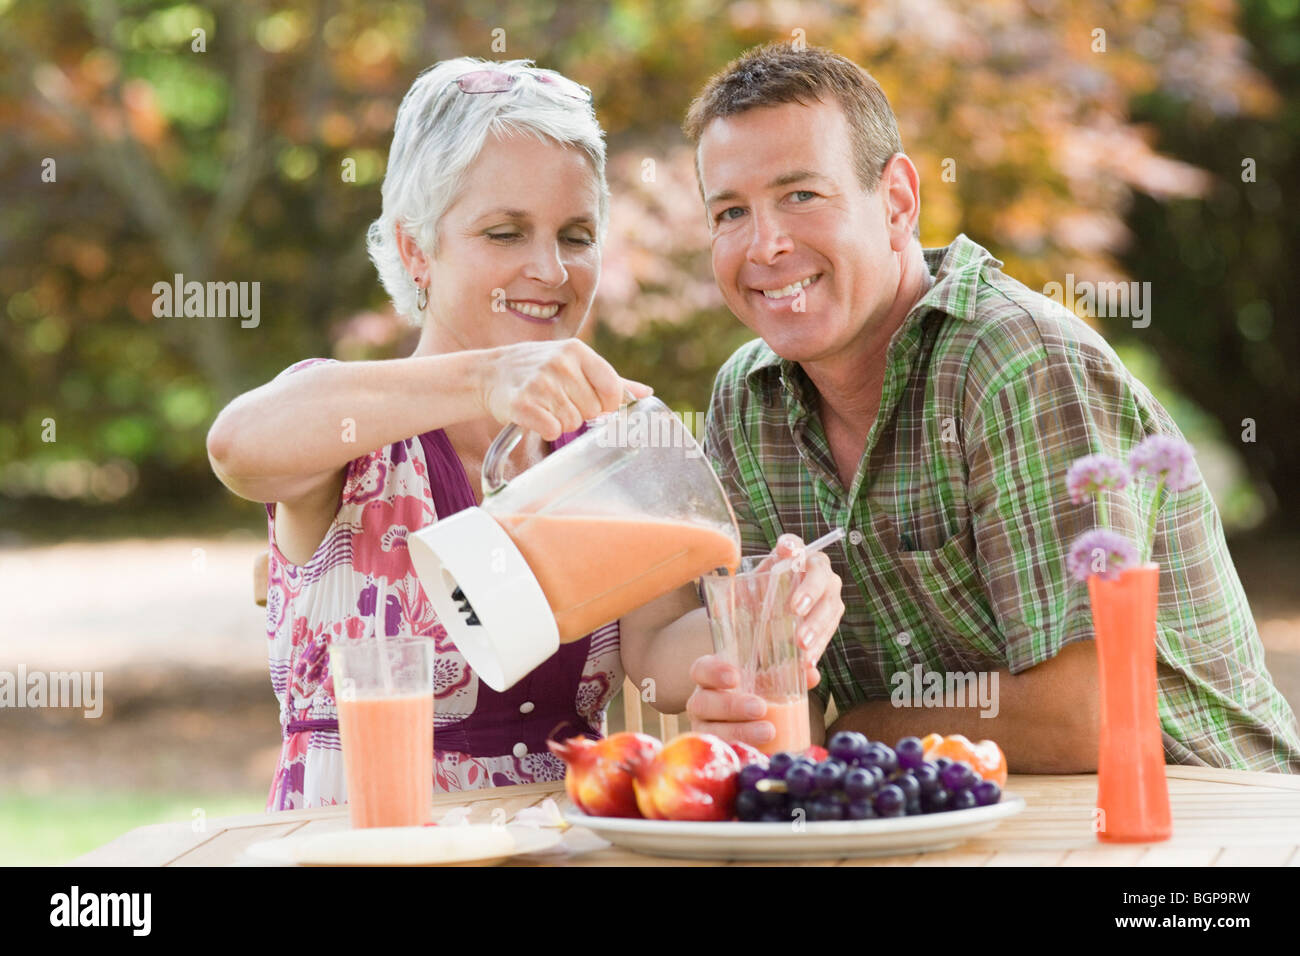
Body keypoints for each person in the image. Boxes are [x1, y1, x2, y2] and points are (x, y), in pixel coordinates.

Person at [206, 57, 844, 809]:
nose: (549, 268)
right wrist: (485, 375)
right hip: (360, 842)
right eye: (505, 233)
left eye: (576, 235)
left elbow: (659, 658)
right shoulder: (354, 429)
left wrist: (769, 611)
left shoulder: (606, 449)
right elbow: (237, 447)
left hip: (551, 841)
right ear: (417, 250)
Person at [656, 42, 1300, 773]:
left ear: (897, 202)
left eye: (801, 195)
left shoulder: (1015, 362)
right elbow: (787, 705)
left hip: (1202, 818)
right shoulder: (748, 404)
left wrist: (855, 730)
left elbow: (1088, 717)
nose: (765, 244)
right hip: (957, 818)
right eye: (731, 212)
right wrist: (755, 718)